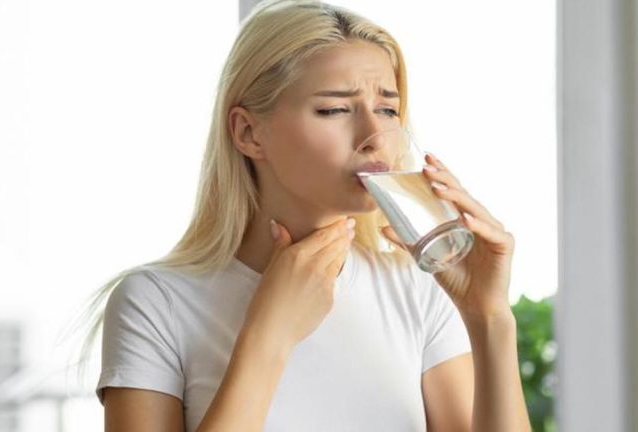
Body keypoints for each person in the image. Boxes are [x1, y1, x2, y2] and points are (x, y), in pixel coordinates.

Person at [83, 1, 531, 430]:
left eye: (387, 110)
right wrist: (271, 332)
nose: (375, 136)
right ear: (248, 132)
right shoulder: (156, 302)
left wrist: (488, 316)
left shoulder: (416, 288)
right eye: (334, 109)